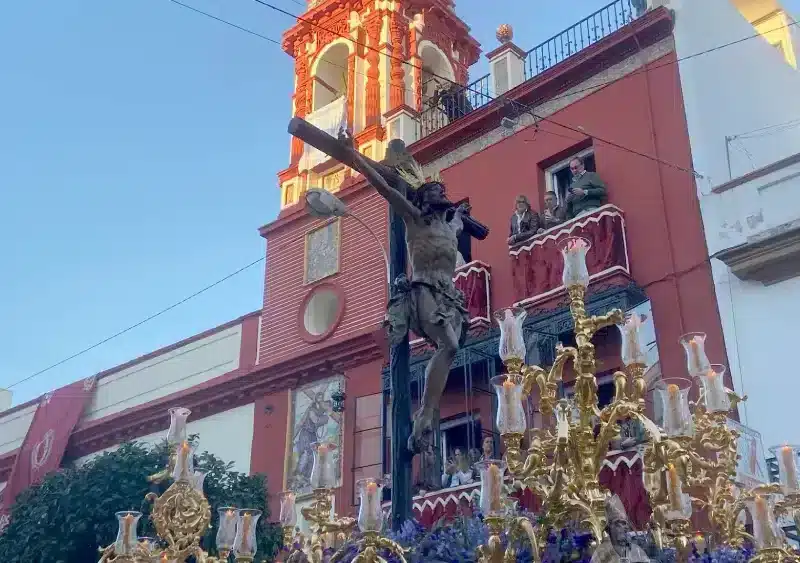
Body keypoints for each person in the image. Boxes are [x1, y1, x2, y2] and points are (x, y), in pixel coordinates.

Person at [342, 133, 470, 453]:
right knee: (449, 343)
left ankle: (427, 415)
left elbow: (459, 221)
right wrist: (354, 157)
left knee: (452, 350)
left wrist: (461, 217)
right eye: (432, 195)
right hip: (423, 287)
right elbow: (385, 188)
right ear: (422, 200)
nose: (436, 200)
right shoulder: (414, 219)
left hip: (450, 295)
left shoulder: (452, 226)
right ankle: (424, 413)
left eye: (440, 195)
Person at [591, 496, 651, 563]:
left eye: (625, 523)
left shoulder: (636, 551)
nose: (625, 527)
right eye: (618, 523)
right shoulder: (600, 554)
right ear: (608, 528)